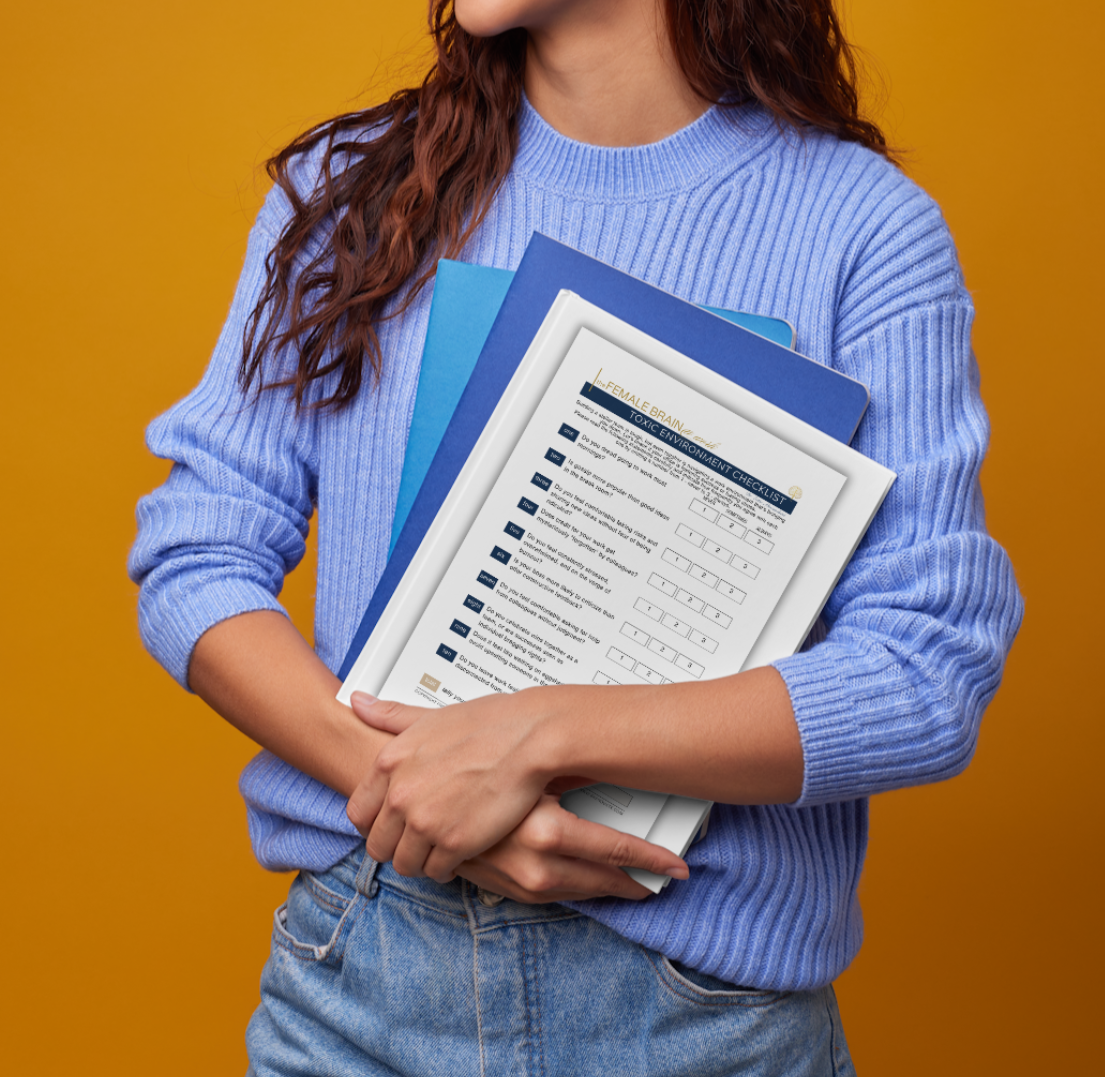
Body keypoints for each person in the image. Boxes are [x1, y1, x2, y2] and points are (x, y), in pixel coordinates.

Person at [128, 0, 1023, 1072]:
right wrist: (413, 787)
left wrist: (542, 737)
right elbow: (197, 551)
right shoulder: (349, 189)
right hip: (355, 980)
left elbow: (925, 670)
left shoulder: (861, 231)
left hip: (702, 1023)